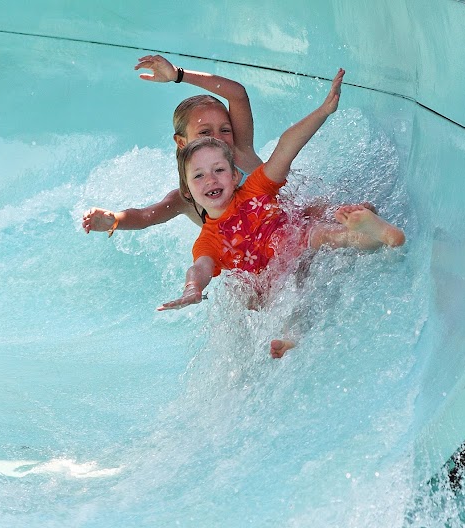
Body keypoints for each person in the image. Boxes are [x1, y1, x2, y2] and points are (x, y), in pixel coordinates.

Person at [157, 69, 406, 358]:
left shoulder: (255, 186)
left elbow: (287, 147)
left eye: (219, 170)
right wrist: (192, 287)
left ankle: (379, 232)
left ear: (234, 175)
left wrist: (323, 111)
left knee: (329, 238)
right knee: (263, 297)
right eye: (199, 176)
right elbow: (200, 267)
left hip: (296, 239)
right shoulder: (207, 241)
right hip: (273, 272)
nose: (211, 180)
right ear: (187, 189)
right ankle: (292, 335)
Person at [82, 54, 263, 235]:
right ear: (181, 142)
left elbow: (238, 95)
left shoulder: (241, 152)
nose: (218, 138)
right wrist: (115, 220)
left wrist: (178, 74)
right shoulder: (186, 198)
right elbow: (145, 216)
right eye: (205, 132)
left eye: (225, 130)